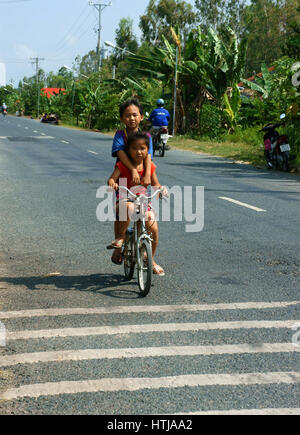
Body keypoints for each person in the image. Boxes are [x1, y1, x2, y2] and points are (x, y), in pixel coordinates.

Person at [107, 131, 168, 276]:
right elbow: (111, 179)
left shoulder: (150, 167)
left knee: (152, 225)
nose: (138, 152)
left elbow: (156, 184)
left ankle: (151, 259)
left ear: (148, 151)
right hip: (125, 198)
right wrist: (112, 184)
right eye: (134, 148)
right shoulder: (122, 166)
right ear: (128, 150)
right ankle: (121, 237)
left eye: (142, 148)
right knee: (128, 207)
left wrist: (161, 189)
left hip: (142, 202)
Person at [110, 98, 153, 265]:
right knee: (123, 210)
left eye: (135, 115)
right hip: (123, 178)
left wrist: (147, 174)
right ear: (122, 118)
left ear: (141, 117)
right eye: (127, 115)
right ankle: (118, 244)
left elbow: (149, 156)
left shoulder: (146, 136)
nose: (132, 118)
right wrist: (133, 169)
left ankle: (148, 255)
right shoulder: (120, 135)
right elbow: (120, 153)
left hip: (141, 180)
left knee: (143, 210)